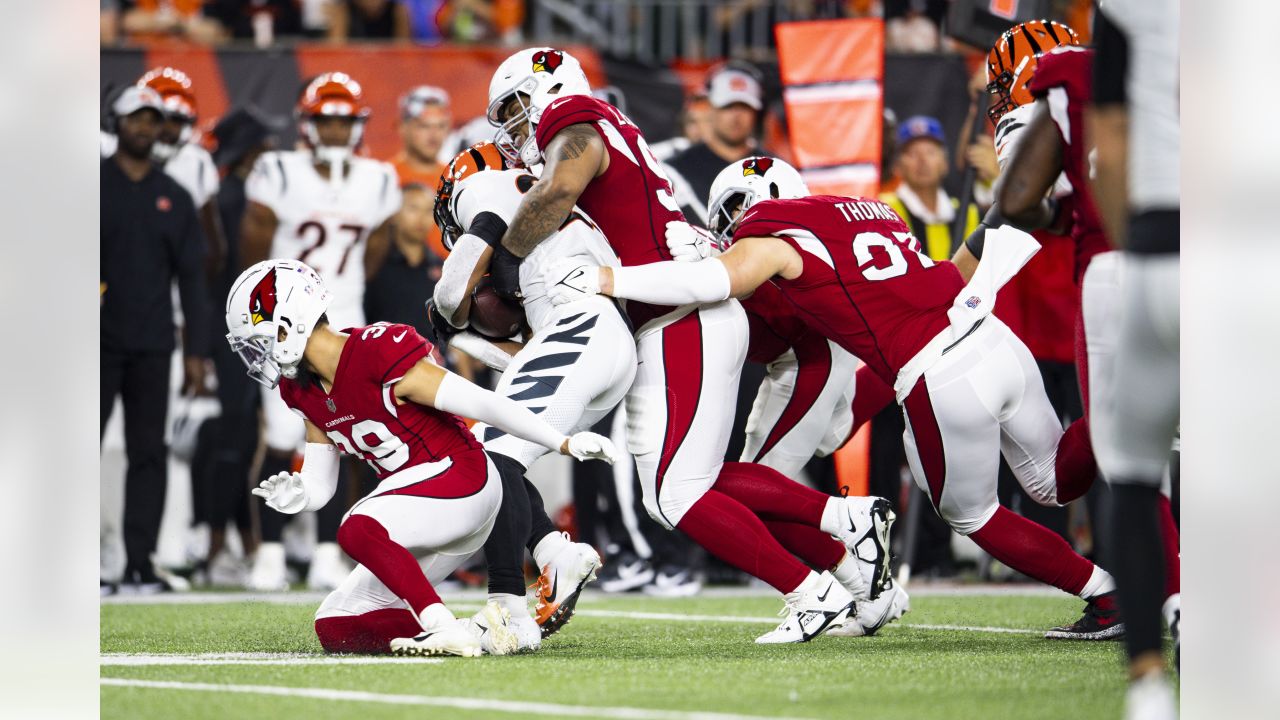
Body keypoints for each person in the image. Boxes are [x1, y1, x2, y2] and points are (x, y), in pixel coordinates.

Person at [548, 156, 1124, 638]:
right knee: (1052, 480)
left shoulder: (772, 232)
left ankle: (1103, 595)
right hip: (989, 336)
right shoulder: (865, 209)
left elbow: (717, 281)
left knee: (970, 514)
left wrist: (610, 280)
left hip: (926, 370)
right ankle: (1123, 414)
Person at [489, 47, 889, 644]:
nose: (516, 124)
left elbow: (555, 192)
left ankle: (816, 585)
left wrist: (504, 258)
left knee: (675, 494)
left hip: (680, 312)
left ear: (549, 89)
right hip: (682, 312)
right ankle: (844, 544)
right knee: (683, 488)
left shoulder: (574, 116)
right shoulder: (608, 129)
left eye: (518, 105)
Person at [226, 259, 617, 656]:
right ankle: (479, 633)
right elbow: (321, 481)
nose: (259, 355)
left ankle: (443, 625)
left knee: (356, 527)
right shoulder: (300, 390)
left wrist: (560, 441)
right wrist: (302, 494)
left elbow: (484, 404)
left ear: (288, 324)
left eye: (259, 340)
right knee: (338, 625)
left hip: (463, 481)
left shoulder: (375, 350)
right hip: (419, 517)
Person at [972, 20, 1181, 638]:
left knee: (1125, 461)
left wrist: (1063, 214)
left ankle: (1167, 606)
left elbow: (1016, 206)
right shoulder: (1164, 78)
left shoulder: (1055, 93)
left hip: (1116, 273)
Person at [429, 141, 636, 649]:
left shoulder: (488, 187)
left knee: (491, 457)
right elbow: (522, 360)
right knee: (502, 449)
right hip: (602, 339)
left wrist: (443, 312)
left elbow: (455, 291)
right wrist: (458, 338)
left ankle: (508, 607)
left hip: (581, 328)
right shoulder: (552, 226)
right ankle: (553, 554)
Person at [240, 71, 401, 591]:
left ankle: (329, 550)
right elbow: (253, 246)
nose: (335, 131)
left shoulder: (377, 179)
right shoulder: (279, 172)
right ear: (307, 124)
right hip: (283, 323)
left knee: (343, 432)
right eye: (326, 121)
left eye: (343, 121)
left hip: (341, 323)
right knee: (285, 434)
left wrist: (338, 297)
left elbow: (374, 250)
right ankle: (268, 549)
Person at [1088, 3, 1181, 716]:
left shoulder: (1128, 8)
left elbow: (1110, 142)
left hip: (1164, 241)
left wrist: (1132, 246)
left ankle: (1148, 679)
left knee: (1133, 467)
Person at [101, 86, 210, 594]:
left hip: (151, 339)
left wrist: (194, 350)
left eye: (152, 120)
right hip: (93, 341)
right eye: (135, 119)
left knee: (150, 451)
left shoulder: (176, 195)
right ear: (116, 123)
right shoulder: (91, 185)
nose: (144, 128)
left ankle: (140, 562)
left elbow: (192, 279)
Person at [194, 106, 282, 584]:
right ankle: (219, 541)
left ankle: (231, 539)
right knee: (235, 439)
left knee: (241, 437)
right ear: (250, 152)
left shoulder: (229, 195)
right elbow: (221, 272)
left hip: (233, 328)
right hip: (239, 330)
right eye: (262, 145)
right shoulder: (236, 200)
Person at [103, 67, 226, 282]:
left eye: (177, 121)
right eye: (158, 119)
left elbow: (212, 248)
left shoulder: (195, 163)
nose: (166, 129)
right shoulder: (107, 151)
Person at [665, 65, 766, 226]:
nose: (736, 116)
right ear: (710, 108)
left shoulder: (773, 167)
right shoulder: (675, 170)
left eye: (745, 107)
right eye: (728, 106)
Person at [881, 115, 979, 262]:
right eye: (912, 153)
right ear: (897, 166)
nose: (923, 161)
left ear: (945, 163)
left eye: (930, 152)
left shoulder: (967, 214)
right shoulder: (885, 210)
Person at [363, 183, 443, 338]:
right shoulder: (372, 263)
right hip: (380, 355)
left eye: (428, 211)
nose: (422, 218)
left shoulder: (442, 268)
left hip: (431, 359)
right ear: (394, 214)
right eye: (413, 208)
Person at [389, 85, 453, 259]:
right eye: (424, 126)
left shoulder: (457, 178)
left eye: (440, 126)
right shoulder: (385, 178)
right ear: (402, 127)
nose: (434, 135)